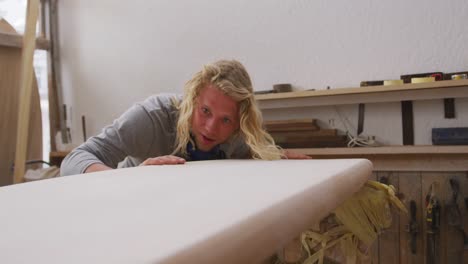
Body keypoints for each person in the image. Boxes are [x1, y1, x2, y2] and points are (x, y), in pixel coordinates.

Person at [60, 59, 309, 176]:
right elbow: (74, 160)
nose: (211, 128)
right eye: (205, 112)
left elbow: (247, 154)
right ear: (192, 100)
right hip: (131, 207)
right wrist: (126, 180)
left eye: (225, 120)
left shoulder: (239, 133)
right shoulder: (152, 117)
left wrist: (275, 158)